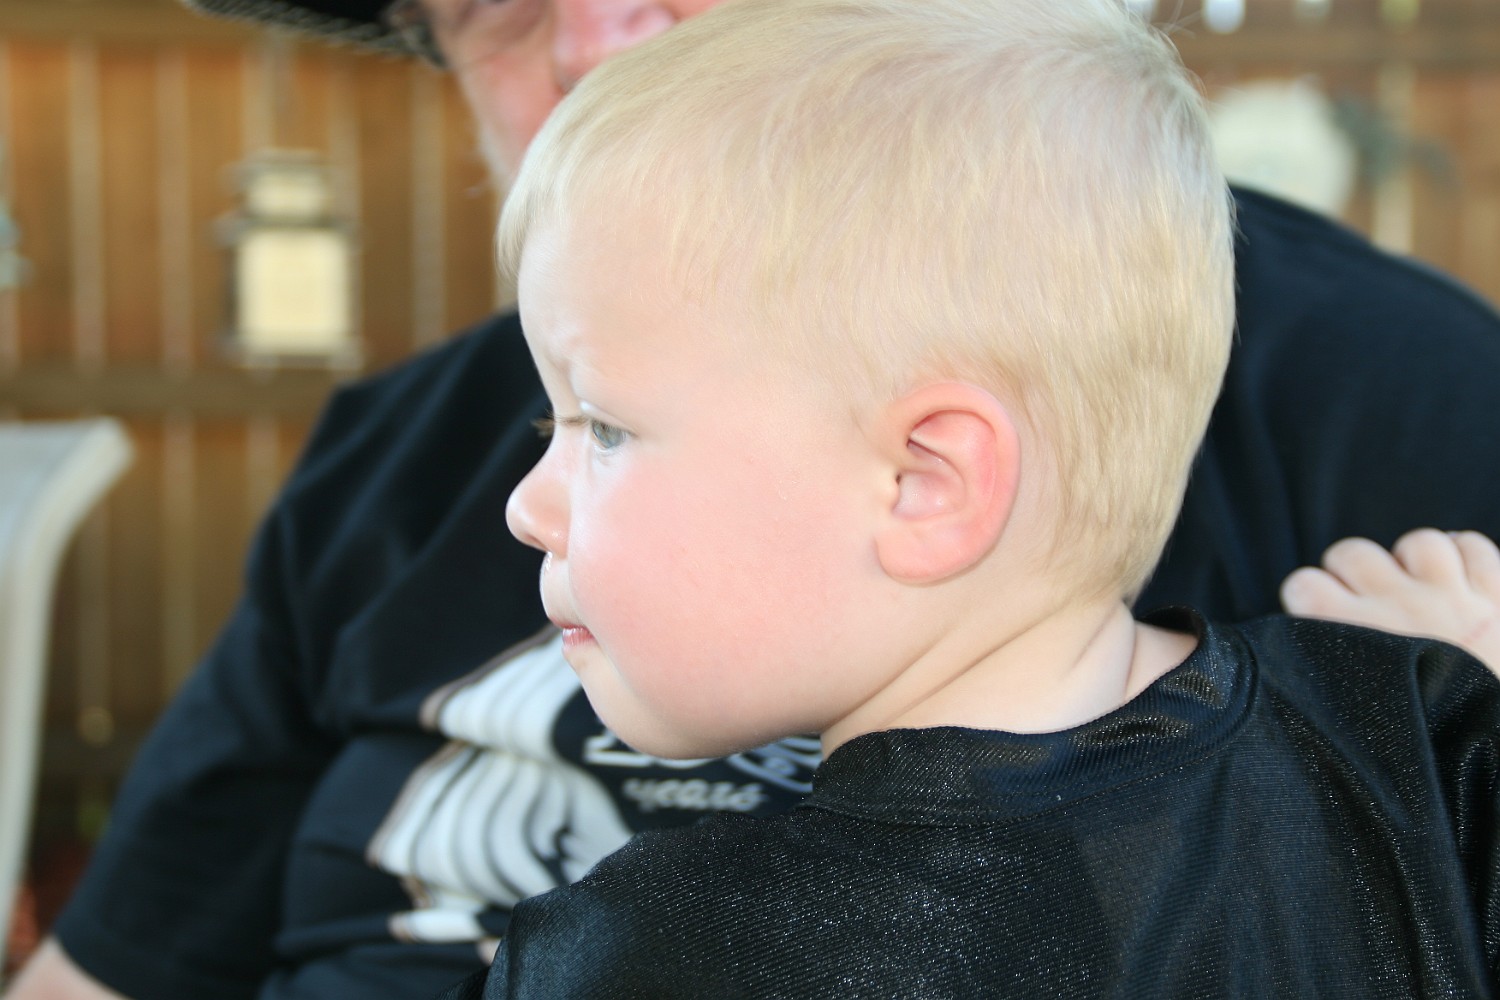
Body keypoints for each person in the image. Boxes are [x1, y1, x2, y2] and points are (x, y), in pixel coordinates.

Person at [8, 0, 1500, 996]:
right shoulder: (1392, 730)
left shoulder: (644, 943)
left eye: (602, 428)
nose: (590, 38)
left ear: (926, 481)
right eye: (492, 4)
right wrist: (1443, 701)